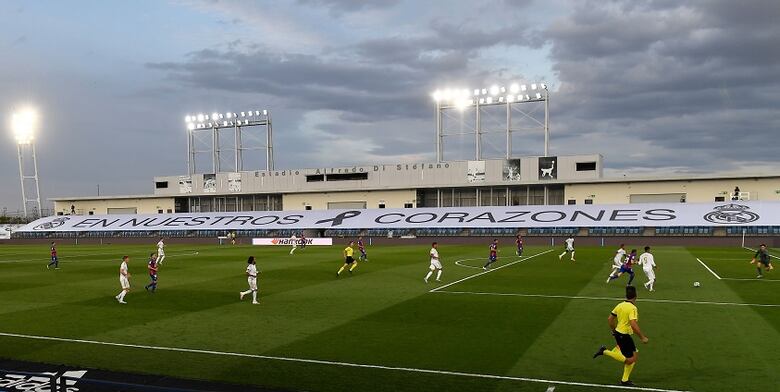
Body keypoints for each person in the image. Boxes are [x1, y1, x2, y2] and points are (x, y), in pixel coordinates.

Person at [593, 285, 649, 386]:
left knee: (634, 353)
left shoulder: (620, 305)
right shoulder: (633, 308)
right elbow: (633, 324)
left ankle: (625, 379)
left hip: (619, 333)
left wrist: (614, 330)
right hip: (624, 336)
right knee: (631, 359)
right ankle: (605, 351)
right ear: (636, 296)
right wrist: (642, 337)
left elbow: (610, 319)